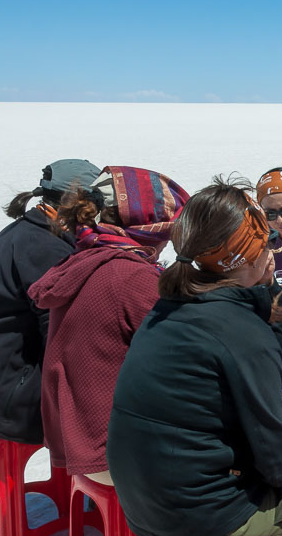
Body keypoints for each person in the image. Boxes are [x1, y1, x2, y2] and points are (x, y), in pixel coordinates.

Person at [107, 178, 282, 536]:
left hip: (146, 505)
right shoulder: (235, 328)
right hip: (206, 520)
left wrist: (267, 284)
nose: (273, 240)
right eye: (263, 236)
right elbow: (279, 467)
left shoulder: (175, 303)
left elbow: (279, 362)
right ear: (244, 253)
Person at [28, 166, 189, 484]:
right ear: (150, 229)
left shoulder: (87, 255)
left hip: (79, 440)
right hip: (116, 453)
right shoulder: (131, 275)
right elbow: (186, 351)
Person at [0, 159, 101, 444]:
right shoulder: (44, 246)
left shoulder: (35, 230)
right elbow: (60, 333)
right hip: (14, 399)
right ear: (80, 203)